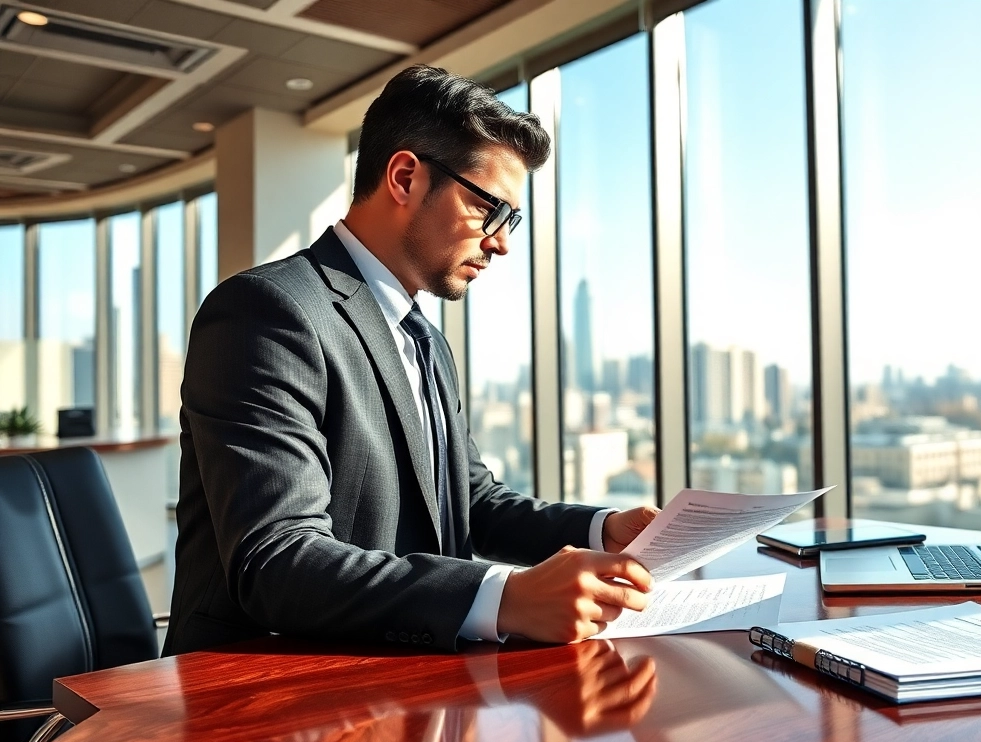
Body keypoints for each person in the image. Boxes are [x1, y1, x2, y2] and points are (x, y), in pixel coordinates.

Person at [163, 65, 658, 656]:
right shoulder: (266, 312)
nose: (501, 242)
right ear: (405, 177)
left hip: (414, 687)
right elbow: (278, 558)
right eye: (490, 210)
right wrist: (507, 596)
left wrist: (603, 530)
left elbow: (468, 499)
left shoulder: (422, 336)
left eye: (512, 220)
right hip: (270, 697)